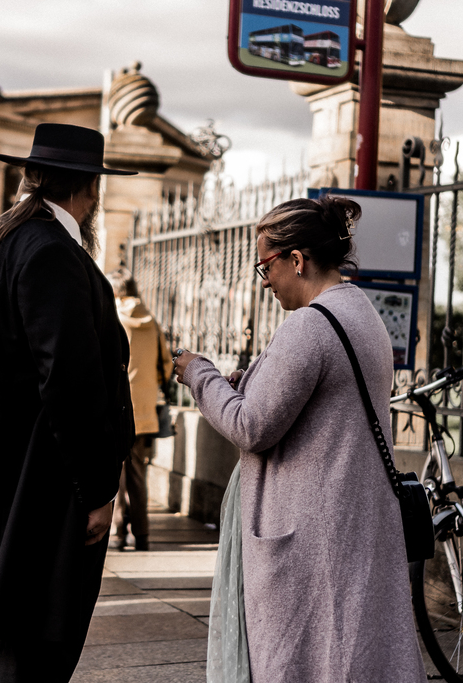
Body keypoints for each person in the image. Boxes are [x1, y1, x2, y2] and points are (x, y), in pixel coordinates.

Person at [173, 196, 425, 682]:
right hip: (350, 521)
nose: (263, 280)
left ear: (297, 259)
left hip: (313, 536)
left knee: (313, 662)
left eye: (265, 265)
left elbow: (251, 427)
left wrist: (199, 374)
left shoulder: (311, 326)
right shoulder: (361, 311)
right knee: (352, 656)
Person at [0, 123, 137, 683]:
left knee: (11, 633)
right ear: (88, 188)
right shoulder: (50, 251)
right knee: (41, 638)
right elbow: (68, 382)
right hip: (43, 482)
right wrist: (96, 488)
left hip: (1, 471)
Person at [106, 268, 172, 552]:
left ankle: (119, 533)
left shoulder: (114, 320)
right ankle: (143, 535)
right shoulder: (153, 322)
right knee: (138, 476)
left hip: (117, 410)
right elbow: (167, 366)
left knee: (115, 477)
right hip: (145, 413)